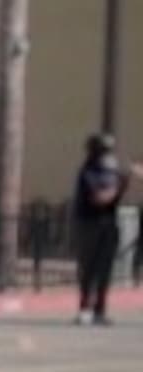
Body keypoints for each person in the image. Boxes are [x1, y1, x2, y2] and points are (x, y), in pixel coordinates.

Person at [72, 131, 126, 325]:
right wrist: (120, 185)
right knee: (89, 268)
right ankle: (85, 308)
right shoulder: (88, 172)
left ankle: (100, 311)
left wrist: (123, 180)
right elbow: (100, 199)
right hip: (89, 224)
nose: (109, 154)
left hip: (108, 225)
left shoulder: (111, 173)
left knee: (105, 269)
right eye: (105, 150)